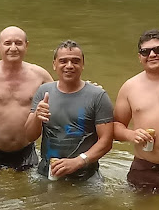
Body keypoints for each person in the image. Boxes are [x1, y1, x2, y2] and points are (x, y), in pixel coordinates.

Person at [25, 40, 113, 181]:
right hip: (47, 172)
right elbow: (29, 136)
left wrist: (79, 161)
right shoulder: (44, 92)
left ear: (83, 65)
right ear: (54, 64)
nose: (69, 66)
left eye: (75, 61)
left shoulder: (98, 96)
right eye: (63, 61)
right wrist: (37, 116)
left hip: (85, 175)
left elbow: (106, 141)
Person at [0, 26, 53, 171]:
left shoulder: (39, 75)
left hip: (26, 149)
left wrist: (86, 89)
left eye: (18, 43)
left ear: (26, 46)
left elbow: (61, 95)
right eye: (8, 43)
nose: (13, 48)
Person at [114, 29, 159, 194]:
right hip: (144, 168)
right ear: (140, 57)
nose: (152, 55)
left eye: (158, 49)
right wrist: (131, 135)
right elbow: (115, 126)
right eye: (145, 52)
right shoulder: (130, 87)